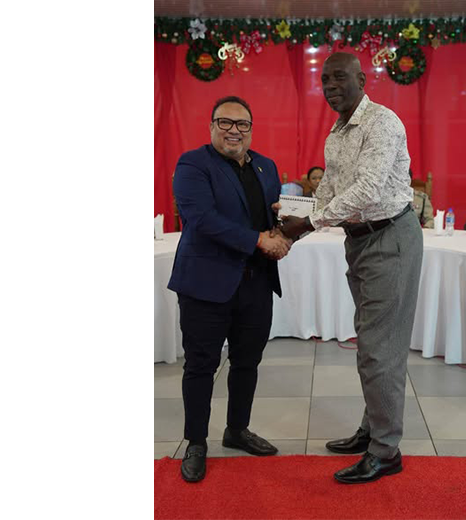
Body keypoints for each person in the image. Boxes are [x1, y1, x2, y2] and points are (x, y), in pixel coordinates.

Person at [280, 53, 423, 485]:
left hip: (390, 238)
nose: (329, 85)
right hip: (359, 242)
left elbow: (367, 189)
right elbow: (329, 187)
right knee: (370, 344)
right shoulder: (338, 131)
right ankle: (373, 428)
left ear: (363, 79)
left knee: (380, 349)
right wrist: (293, 225)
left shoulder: (382, 122)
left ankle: (386, 451)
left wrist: (305, 223)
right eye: (324, 79)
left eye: (339, 77)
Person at [168, 96, 292, 483]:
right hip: (206, 283)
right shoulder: (192, 164)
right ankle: (196, 442)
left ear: (251, 130)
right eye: (225, 122)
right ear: (211, 127)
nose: (234, 130)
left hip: (256, 284)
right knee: (201, 366)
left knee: (247, 362)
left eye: (242, 124)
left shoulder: (266, 166)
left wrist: (286, 233)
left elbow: (274, 215)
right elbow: (201, 219)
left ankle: (237, 429)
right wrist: (260, 241)